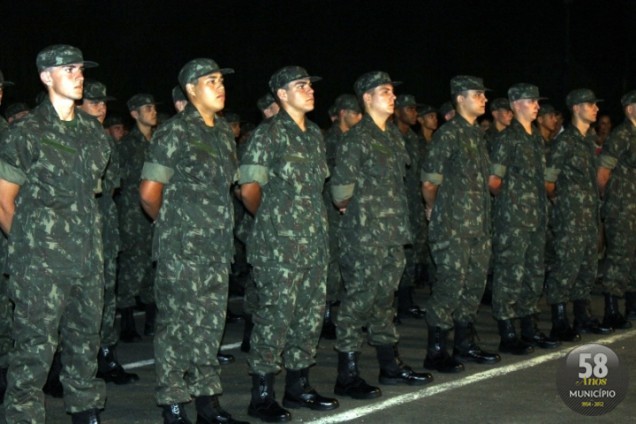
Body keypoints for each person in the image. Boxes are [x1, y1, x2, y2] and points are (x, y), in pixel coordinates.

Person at [0, 44, 110, 423]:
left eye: (81, 68)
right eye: (69, 69)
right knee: (33, 352)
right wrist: (32, 254)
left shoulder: (94, 136)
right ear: (47, 77)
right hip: (41, 267)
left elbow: (87, 199)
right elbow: (3, 203)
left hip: (86, 260)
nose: (79, 75)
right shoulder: (26, 132)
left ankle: (85, 412)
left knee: (84, 346)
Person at [139, 58, 247, 424]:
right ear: (190, 89)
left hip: (216, 249)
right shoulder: (173, 133)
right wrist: (174, 228)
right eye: (210, 81)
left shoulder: (221, 134)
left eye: (221, 80)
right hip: (182, 249)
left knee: (210, 326)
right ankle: (172, 404)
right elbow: (149, 192)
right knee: (176, 327)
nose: (219, 86)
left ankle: (206, 401)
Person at [240, 66, 339, 422]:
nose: (309, 90)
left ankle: (298, 387)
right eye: (301, 86)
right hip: (279, 247)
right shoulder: (268, 135)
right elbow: (249, 189)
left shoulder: (314, 134)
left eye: (310, 84)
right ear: (282, 95)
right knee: (275, 319)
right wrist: (271, 222)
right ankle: (262, 395)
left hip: (313, 243)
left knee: (308, 319)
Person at [330, 71, 433, 400]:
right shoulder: (356, 138)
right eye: (384, 92)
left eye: (392, 91)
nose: (392, 97)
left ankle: (390, 365)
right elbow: (340, 193)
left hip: (391, 235)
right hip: (365, 236)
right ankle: (347, 375)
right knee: (357, 303)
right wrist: (362, 215)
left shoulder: (392, 136)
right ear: (367, 98)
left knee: (384, 303)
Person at [421, 75, 501, 373]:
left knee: (473, 286)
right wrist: (433, 209)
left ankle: (464, 344)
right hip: (453, 227)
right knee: (449, 287)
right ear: (460, 99)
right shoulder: (449, 135)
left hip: (478, 227)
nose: (484, 99)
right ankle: (437, 350)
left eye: (483, 94)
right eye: (477, 94)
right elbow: (429, 182)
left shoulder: (476, 135)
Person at [488, 84, 559, 355]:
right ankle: (508, 332)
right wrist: (511, 204)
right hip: (514, 219)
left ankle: (529, 327)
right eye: (531, 102)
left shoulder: (535, 139)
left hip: (536, 217)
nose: (537, 106)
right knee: (510, 273)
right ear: (516, 104)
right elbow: (494, 181)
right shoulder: (508, 138)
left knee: (533, 272)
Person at [78, 80, 140, 385]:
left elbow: (114, 186)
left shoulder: (107, 142)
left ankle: (105, 353)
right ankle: (65, 364)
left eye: (103, 103)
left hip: (106, 227)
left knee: (107, 295)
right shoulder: (72, 138)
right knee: (74, 303)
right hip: (76, 235)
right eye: (94, 102)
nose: (101, 108)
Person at [544, 88, 612, 341]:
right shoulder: (565, 141)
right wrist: (560, 203)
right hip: (570, 217)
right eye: (590, 104)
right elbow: (548, 180)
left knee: (586, 267)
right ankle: (559, 320)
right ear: (576, 108)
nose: (595, 108)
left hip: (589, 216)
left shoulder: (587, 141)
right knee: (566, 267)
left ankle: (582, 317)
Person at [117, 93, 158, 342]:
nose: (153, 111)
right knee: (132, 266)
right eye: (147, 108)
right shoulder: (127, 145)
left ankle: (152, 320)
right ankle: (128, 323)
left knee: (154, 264)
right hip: (133, 213)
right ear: (134, 114)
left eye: (153, 107)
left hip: (156, 210)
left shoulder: (160, 142)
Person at [321, 93, 362, 339]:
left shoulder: (357, 140)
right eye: (356, 113)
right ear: (344, 113)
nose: (360, 118)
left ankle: (350, 313)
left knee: (352, 264)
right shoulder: (329, 140)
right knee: (332, 266)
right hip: (331, 211)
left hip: (354, 213)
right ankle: (326, 316)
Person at [596, 90, 636, 327]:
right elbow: (603, 173)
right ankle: (611, 308)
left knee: (632, 258)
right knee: (619, 256)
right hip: (621, 207)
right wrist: (609, 198)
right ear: (630, 109)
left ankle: (632, 304)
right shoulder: (622, 135)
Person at [394, 94, 427, 320]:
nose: (414, 113)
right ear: (397, 111)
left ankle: (406, 300)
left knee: (412, 252)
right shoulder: (390, 136)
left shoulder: (414, 140)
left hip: (414, 204)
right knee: (396, 255)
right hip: (396, 205)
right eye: (410, 108)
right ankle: (392, 304)